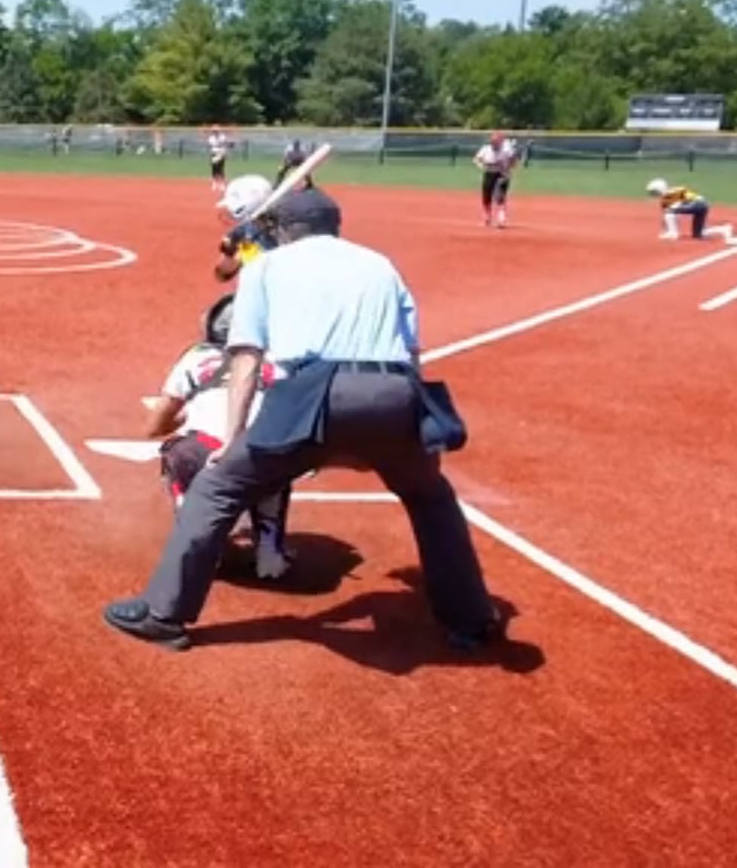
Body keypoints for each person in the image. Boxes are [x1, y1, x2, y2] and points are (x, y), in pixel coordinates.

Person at [103, 187, 501, 653]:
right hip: (394, 392)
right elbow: (411, 354)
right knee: (431, 497)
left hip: (313, 396)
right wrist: (393, 435)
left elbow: (246, 359)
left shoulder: (267, 267)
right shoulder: (380, 265)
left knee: (218, 488)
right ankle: (472, 620)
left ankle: (163, 615)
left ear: (286, 231)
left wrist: (232, 439)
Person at [146, 295, 294, 580]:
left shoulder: (197, 357)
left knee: (177, 454)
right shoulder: (283, 362)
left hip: (205, 453)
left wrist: (182, 418)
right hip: (261, 457)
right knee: (280, 459)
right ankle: (270, 553)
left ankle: (200, 545)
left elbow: (155, 424)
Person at [212, 174, 277, 283]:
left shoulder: (270, 240)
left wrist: (238, 254)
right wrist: (230, 238)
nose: (230, 211)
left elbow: (256, 249)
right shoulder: (259, 220)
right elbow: (244, 229)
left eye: (235, 206)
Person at [646, 179, 715, 240]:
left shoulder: (669, 196)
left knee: (670, 211)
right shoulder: (674, 191)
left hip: (697, 204)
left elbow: (670, 213)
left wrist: (666, 230)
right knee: (697, 235)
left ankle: (672, 233)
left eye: (655, 192)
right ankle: (713, 230)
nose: (654, 194)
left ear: (660, 189)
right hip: (703, 205)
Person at [474, 132, 518, 228]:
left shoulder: (506, 151)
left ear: (501, 142)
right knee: (486, 196)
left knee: (500, 196)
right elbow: (476, 159)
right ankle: (487, 216)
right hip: (489, 174)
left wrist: (508, 169)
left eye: (496, 142)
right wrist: (481, 166)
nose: (493, 143)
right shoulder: (485, 149)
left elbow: (514, 162)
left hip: (502, 174)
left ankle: (501, 219)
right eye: (492, 142)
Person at [206, 128, 230, 193]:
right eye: (214, 131)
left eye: (216, 131)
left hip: (221, 153)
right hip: (214, 153)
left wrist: (225, 152)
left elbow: (224, 145)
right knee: (214, 168)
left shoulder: (222, 136)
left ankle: (222, 184)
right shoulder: (211, 138)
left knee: (221, 168)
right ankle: (214, 183)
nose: (215, 132)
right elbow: (212, 145)